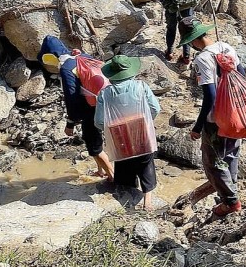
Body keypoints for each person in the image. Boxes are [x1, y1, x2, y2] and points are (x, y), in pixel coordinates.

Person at [178, 17, 246, 217]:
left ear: (192, 41)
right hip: (235, 113)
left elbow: (210, 95)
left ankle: (231, 202)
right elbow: (242, 76)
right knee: (231, 154)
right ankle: (230, 194)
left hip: (216, 120)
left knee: (213, 162)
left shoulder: (202, 59)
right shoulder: (226, 47)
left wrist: (198, 127)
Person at [38, 36, 114, 181]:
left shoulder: (66, 68)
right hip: (105, 101)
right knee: (96, 140)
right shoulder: (81, 55)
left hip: (90, 109)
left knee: (94, 146)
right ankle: (101, 171)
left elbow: (71, 98)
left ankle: (112, 176)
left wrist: (70, 124)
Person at [95, 55, 161, 210]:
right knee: (146, 163)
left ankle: (127, 202)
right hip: (141, 129)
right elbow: (155, 109)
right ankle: (147, 202)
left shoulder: (104, 94)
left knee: (124, 165)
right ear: (130, 72)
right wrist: (145, 122)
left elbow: (98, 122)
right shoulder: (141, 86)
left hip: (119, 135)